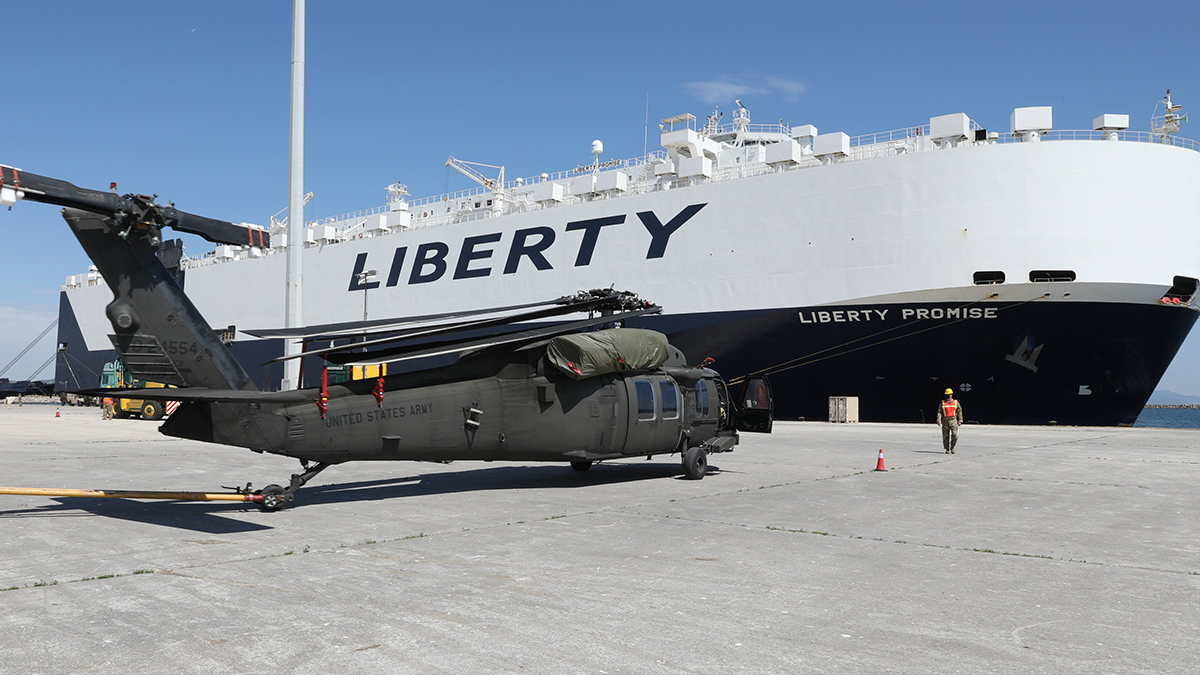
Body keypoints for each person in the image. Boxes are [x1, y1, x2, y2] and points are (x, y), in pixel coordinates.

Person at [936, 388, 962, 453]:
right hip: (945, 420)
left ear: (952, 395)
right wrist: (938, 420)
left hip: (953, 420)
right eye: (947, 394)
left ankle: (952, 447)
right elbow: (939, 412)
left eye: (950, 394)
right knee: (945, 436)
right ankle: (947, 448)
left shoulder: (956, 402)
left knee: (954, 435)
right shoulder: (942, 403)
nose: (949, 396)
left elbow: (959, 412)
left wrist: (960, 420)